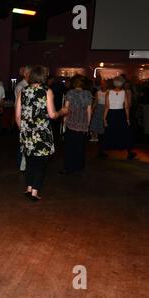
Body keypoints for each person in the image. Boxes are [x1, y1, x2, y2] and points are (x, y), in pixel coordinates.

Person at [15, 65, 68, 201]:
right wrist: (62, 111)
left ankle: (28, 188)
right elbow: (52, 115)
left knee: (30, 162)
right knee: (40, 164)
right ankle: (34, 192)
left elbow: (17, 116)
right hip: (42, 134)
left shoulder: (23, 90)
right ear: (43, 77)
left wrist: (24, 130)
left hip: (26, 132)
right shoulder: (47, 91)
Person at [61, 76, 93, 174]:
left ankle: (68, 167)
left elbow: (66, 109)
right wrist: (88, 123)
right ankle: (79, 167)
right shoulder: (88, 93)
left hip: (71, 123)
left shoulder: (70, 93)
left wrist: (64, 122)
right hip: (82, 124)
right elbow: (89, 110)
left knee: (69, 147)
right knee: (80, 147)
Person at [103, 76, 137, 160]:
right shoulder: (124, 92)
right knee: (125, 133)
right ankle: (129, 153)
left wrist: (104, 118)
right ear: (122, 83)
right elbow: (126, 106)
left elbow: (107, 106)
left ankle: (102, 150)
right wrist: (128, 119)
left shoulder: (108, 92)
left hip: (111, 113)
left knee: (109, 132)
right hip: (121, 114)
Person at [14, 65, 31, 171]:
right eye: (30, 72)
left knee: (26, 142)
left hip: (27, 117)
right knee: (22, 143)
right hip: (22, 117)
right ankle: (21, 165)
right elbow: (20, 105)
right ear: (25, 74)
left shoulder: (28, 85)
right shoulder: (21, 86)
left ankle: (24, 164)